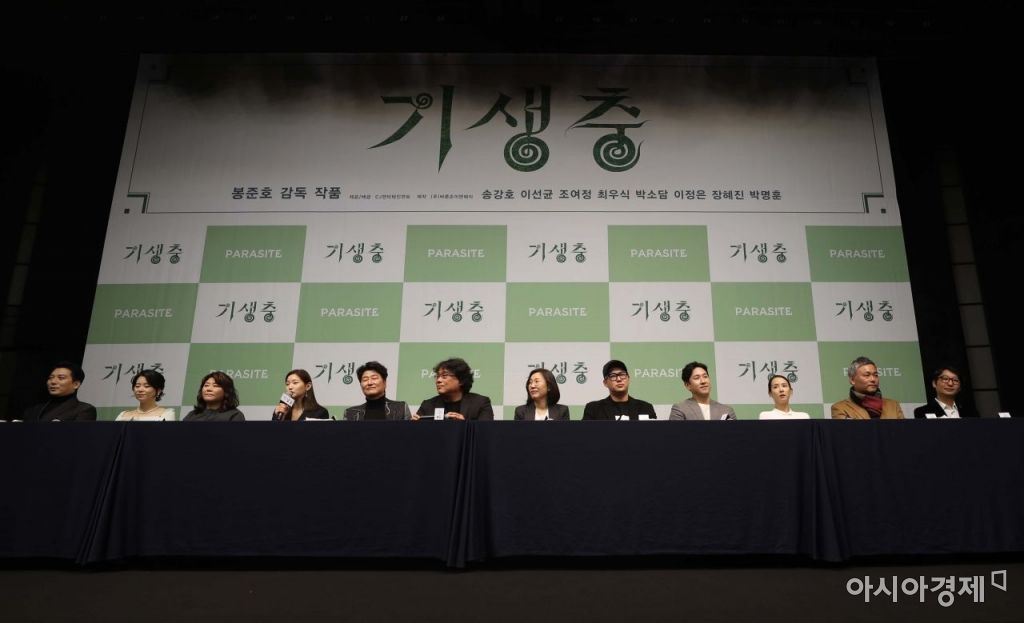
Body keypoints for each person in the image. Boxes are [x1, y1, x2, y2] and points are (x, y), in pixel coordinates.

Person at [414, 357, 493, 420]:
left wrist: (464, 425)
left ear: (461, 380)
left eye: (444, 376)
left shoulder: (480, 403)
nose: (438, 380)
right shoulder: (428, 405)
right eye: (437, 376)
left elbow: (485, 432)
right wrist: (413, 426)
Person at [831, 356, 904, 419]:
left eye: (875, 375)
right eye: (867, 375)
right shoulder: (840, 408)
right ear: (852, 380)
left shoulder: (893, 406)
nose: (873, 379)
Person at [21, 361, 97, 422]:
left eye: (61, 378)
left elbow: (78, 435)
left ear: (76, 384)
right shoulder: (32, 410)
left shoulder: (84, 410)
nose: (53, 382)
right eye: (51, 377)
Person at [582, 360, 656, 420]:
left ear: (628, 379)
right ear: (605, 383)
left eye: (622, 374)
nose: (619, 379)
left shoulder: (645, 408)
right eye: (613, 376)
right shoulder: (593, 409)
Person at [344, 361, 412, 420]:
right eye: (365, 379)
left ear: (384, 382)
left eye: (374, 378)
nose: (369, 383)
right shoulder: (351, 413)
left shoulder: (400, 408)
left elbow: (408, 431)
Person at [670, 361, 736, 420]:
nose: (703, 381)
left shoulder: (726, 410)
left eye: (705, 376)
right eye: (697, 378)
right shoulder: (680, 409)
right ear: (687, 385)